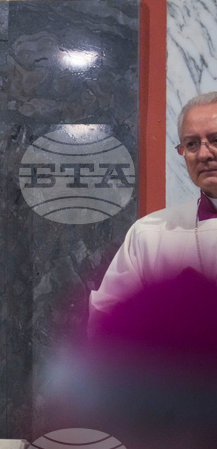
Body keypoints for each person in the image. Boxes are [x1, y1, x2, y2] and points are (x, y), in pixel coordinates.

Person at [91, 91, 217, 326]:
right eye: (191, 144)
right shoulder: (149, 234)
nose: (203, 154)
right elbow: (107, 320)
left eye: (215, 139)